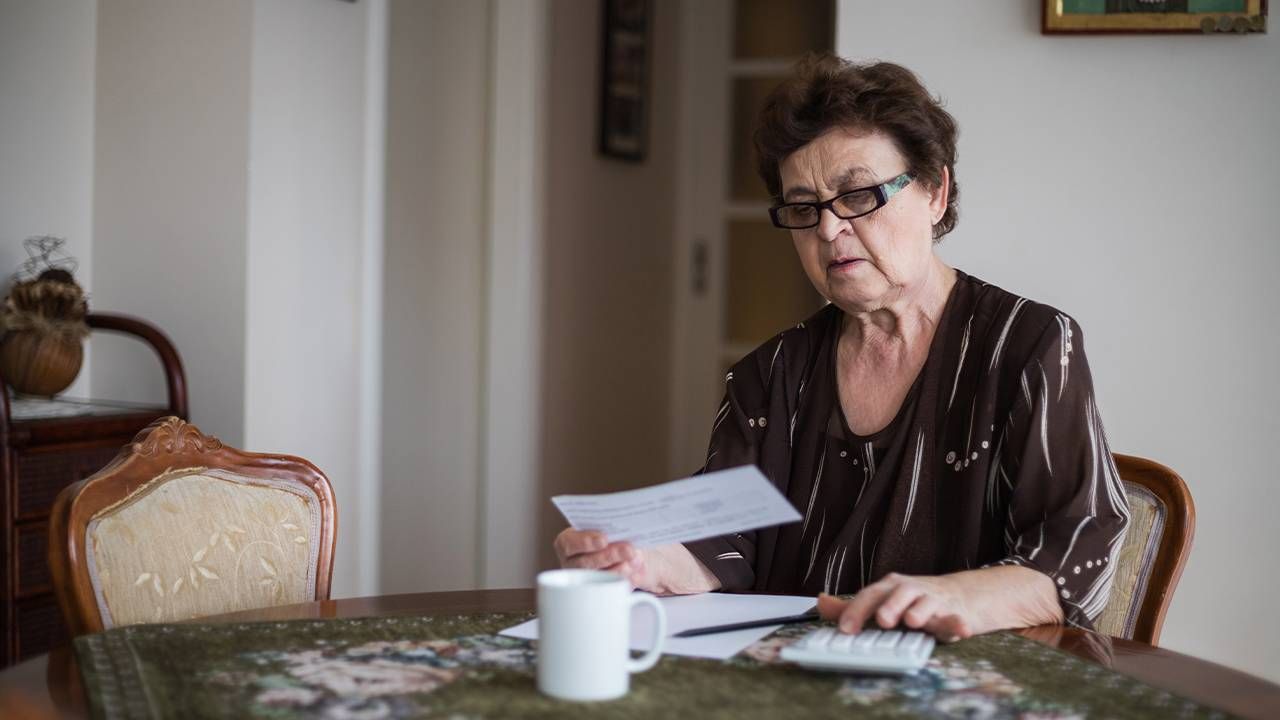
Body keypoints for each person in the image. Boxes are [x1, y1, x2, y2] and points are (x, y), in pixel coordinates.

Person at [554, 54, 1129, 639]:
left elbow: (1075, 556)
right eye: (804, 208)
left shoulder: (1026, 346)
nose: (828, 230)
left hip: (961, 681)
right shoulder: (771, 373)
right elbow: (724, 542)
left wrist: (947, 595)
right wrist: (640, 561)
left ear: (934, 191)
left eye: (858, 196)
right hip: (793, 680)